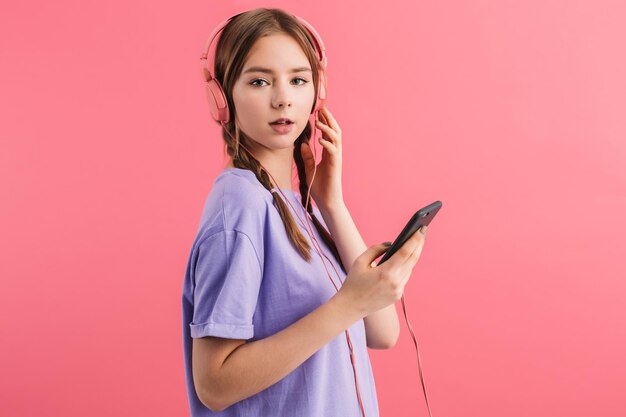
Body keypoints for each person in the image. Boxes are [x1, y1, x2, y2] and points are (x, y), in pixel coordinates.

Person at [182, 8, 428, 416]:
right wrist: (347, 305)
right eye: (259, 81)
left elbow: (383, 332)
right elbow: (213, 383)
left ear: (317, 91)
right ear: (222, 97)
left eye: (298, 80)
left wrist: (333, 204)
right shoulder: (240, 207)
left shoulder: (296, 205)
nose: (283, 98)